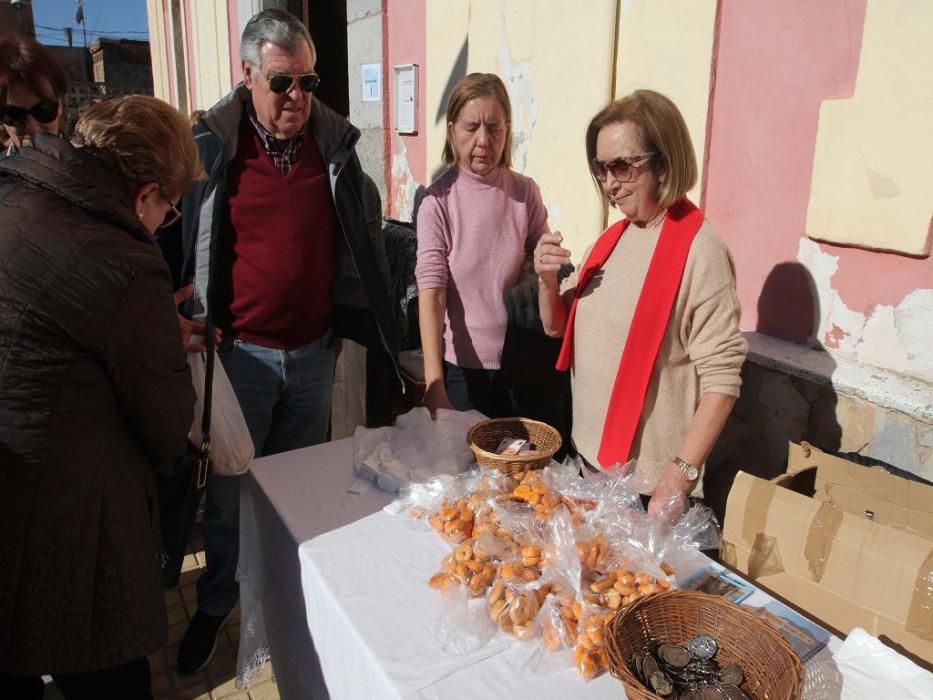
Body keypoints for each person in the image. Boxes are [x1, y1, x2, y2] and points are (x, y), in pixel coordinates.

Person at [158, 9, 398, 674]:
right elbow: (161, 237)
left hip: (315, 354)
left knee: (297, 491)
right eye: (280, 82)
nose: (296, 96)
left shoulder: (337, 151)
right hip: (238, 357)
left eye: (308, 81)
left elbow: (361, 242)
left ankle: (293, 605)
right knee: (232, 501)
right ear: (247, 76)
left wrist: (349, 323)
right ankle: (215, 605)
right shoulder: (209, 149)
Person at [0, 96, 202, 699]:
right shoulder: (124, 261)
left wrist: (133, 327)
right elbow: (168, 428)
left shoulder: (19, 201)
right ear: (144, 194)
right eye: (168, 211)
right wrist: (151, 333)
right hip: (66, 534)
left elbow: (61, 322)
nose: (164, 224)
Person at [534, 89, 747, 519]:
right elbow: (557, 327)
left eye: (622, 167)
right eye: (601, 168)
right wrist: (545, 279)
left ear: (664, 162)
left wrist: (679, 477)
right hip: (592, 466)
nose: (610, 183)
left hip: (650, 492)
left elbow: (722, 381)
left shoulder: (699, 251)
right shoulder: (614, 239)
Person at [416, 72, 549, 418]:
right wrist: (434, 385)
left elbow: (541, 262)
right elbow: (432, 294)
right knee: (463, 470)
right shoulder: (438, 203)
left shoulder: (524, 193)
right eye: (471, 127)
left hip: (519, 363)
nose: (483, 140)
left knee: (517, 469)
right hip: (462, 371)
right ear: (451, 129)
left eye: (495, 128)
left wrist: (551, 258)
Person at [0, 35, 67, 157]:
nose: (32, 128)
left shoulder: (93, 170)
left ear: (60, 105)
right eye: (14, 115)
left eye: (43, 110)